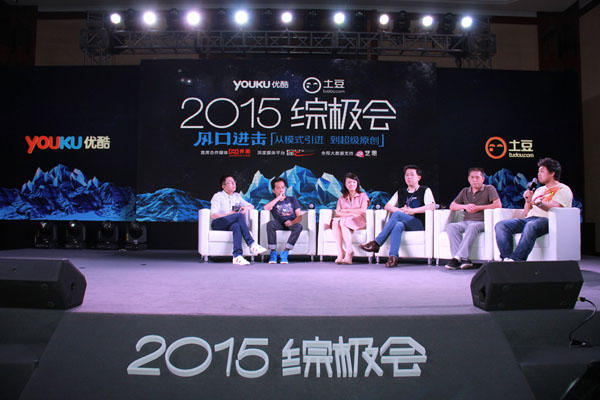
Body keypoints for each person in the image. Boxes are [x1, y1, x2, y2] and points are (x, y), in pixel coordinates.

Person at [495, 157, 573, 262]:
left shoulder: (563, 189)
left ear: (552, 173)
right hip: (531, 219)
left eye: (542, 171)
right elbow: (527, 213)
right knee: (501, 225)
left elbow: (556, 207)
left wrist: (540, 204)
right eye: (538, 171)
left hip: (549, 220)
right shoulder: (539, 190)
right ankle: (506, 258)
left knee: (531, 225)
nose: (538, 174)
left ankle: (517, 260)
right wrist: (528, 200)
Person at [360, 165, 436, 268]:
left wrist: (412, 211)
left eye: (412, 175)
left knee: (397, 215)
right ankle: (393, 257)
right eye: (407, 175)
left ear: (419, 177)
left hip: (418, 223)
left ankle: (377, 243)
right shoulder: (400, 192)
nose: (409, 177)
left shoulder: (424, 190)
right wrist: (402, 211)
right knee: (398, 225)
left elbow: (432, 206)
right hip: (404, 222)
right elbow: (387, 206)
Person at [445, 167, 502, 270]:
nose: (475, 180)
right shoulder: (465, 191)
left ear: (483, 179)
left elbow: (498, 205)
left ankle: (456, 258)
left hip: (482, 222)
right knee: (451, 226)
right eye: (472, 177)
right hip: (466, 221)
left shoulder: (489, 188)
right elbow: (452, 206)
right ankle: (464, 259)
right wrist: (465, 206)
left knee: (472, 226)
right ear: (468, 179)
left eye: (477, 177)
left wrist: (478, 208)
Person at [210, 175, 267, 265]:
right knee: (238, 216)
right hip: (218, 223)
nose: (233, 184)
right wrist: (231, 214)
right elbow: (213, 215)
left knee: (236, 226)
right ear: (223, 186)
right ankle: (251, 244)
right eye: (230, 182)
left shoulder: (236, 196)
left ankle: (237, 256)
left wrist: (245, 208)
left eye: (234, 182)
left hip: (230, 223)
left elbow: (251, 206)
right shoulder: (218, 196)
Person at [331, 172, 370, 265]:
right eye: (349, 182)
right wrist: (352, 212)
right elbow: (338, 212)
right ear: (345, 184)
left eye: (354, 182)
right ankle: (340, 252)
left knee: (343, 221)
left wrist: (347, 211)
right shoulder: (342, 198)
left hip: (358, 220)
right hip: (345, 220)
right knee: (336, 222)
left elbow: (363, 210)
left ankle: (349, 251)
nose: (351, 184)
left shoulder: (363, 195)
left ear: (357, 183)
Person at [263, 177, 303, 264]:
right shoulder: (274, 202)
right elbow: (265, 208)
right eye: (278, 188)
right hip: (279, 223)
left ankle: (285, 252)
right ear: (273, 190)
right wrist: (278, 198)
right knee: (270, 224)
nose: (281, 190)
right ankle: (273, 253)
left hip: (291, 223)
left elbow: (299, 216)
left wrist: (292, 222)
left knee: (299, 226)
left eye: (283, 188)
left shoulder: (292, 199)